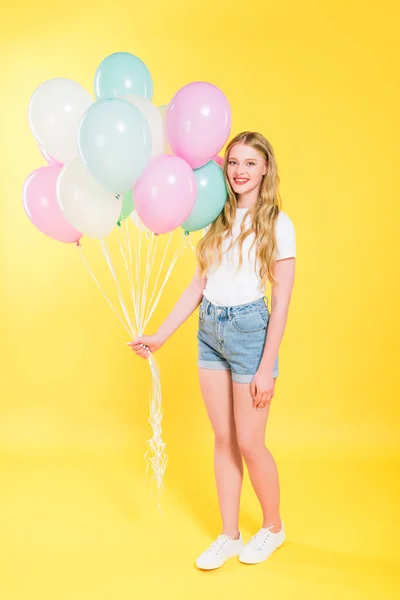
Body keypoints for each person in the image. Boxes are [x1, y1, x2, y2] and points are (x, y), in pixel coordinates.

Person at [127, 131, 296, 570]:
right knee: (223, 438)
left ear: (265, 170)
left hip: (249, 334)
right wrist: (161, 334)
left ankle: (273, 527)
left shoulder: (278, 223)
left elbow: (281, 305)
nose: (239, 171)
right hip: (210, 331)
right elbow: (198, 285)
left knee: (251, 442)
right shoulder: (214, 218)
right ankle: (229, 535)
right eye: (233, 162)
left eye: (249, 163)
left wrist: (264, 368)